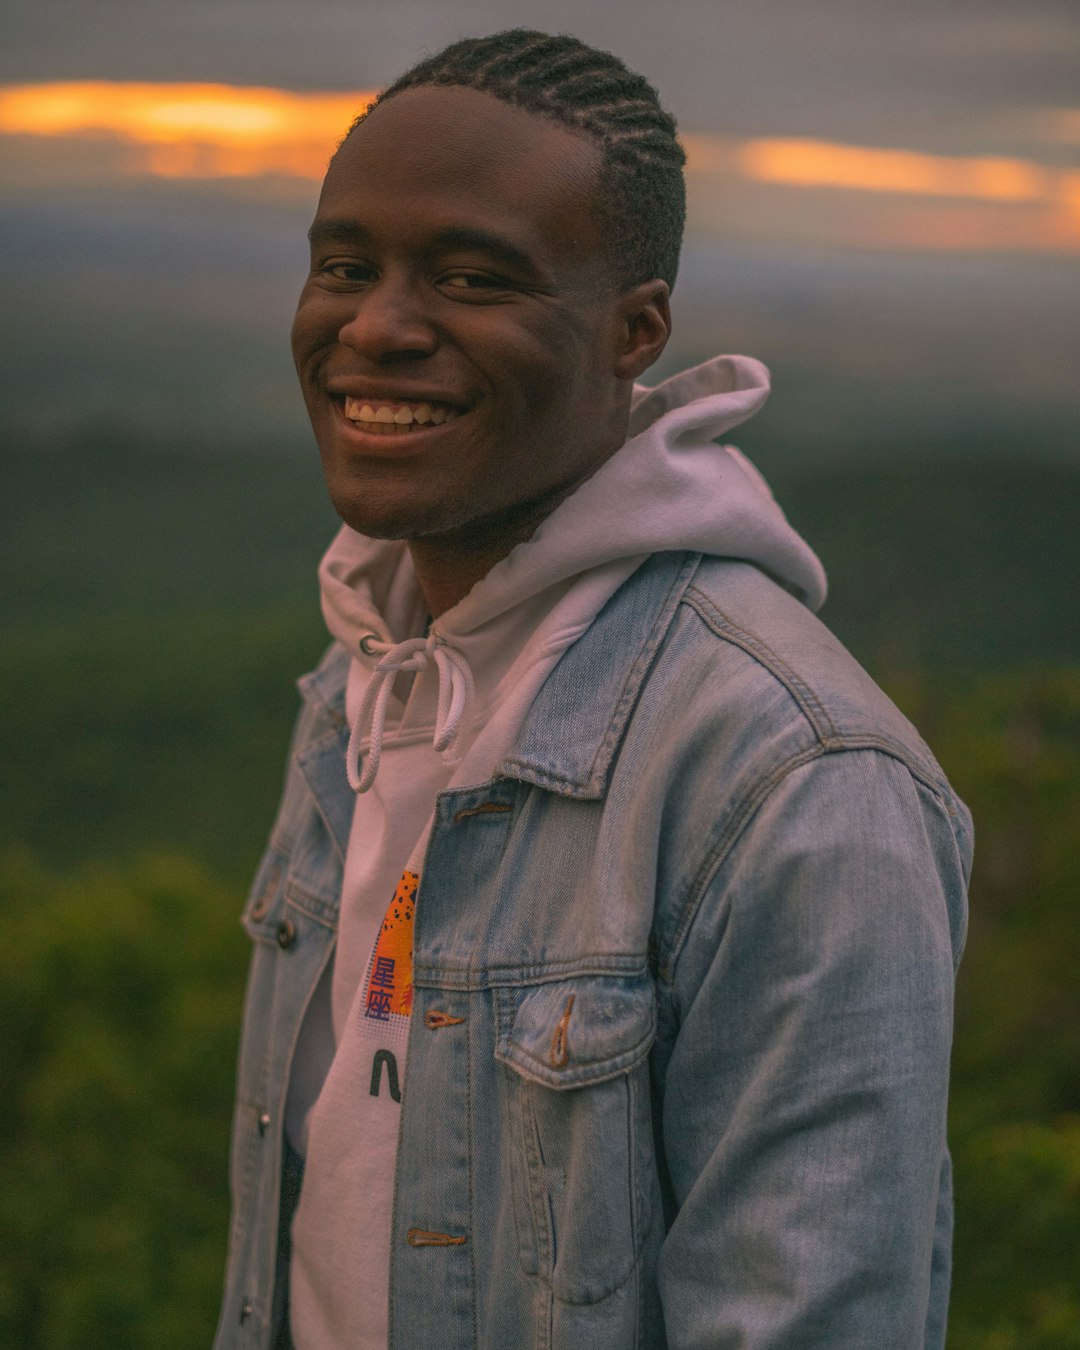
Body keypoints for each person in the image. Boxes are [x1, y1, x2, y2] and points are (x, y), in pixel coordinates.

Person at [213, 28, 972, 1350]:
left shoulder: (795, 783)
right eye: (346, 265)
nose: (377, 325)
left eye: (469, 276)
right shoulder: (361, 684)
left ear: (636, 332)